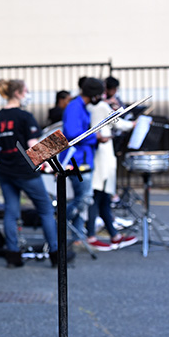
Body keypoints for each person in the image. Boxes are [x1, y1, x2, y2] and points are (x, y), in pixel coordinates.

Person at [0, 79, 63, 268]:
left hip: (6, 170)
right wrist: (56, 151)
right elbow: (32, 146)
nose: (28, 94)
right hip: (25, 171)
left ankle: (13, 255)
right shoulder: (25, 116)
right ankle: (56, 254)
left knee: (11, 212)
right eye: (26, 91)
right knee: (45, 210)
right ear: (19, 93)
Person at [85, 92, 136, 251]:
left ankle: (114, 235)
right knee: (98, 196)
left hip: (102, 156)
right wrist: (134, 124)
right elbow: (118, 123)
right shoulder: (100, 106)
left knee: (103, 198)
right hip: (103, 157)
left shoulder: (94, 106)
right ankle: (92, 236)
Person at [61, 77, 105, 249]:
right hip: (77, 161)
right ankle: (61, 218)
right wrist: (96, 136)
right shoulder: (74, 107)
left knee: (82, 197)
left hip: (83, 159)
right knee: (85, 198)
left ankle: (78, 236)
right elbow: (73, 133)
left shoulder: (79, 106)